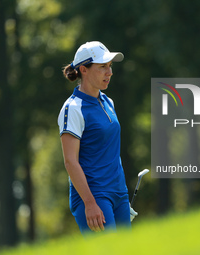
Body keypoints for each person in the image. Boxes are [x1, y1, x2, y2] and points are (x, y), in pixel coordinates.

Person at [58, 41, 137, 234]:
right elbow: (70, 161)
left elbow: (110, 150)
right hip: (94, 196)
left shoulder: (108, 102)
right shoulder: (73, 108)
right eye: (102, 67)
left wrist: (122, 197)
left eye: (110, 66)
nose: (109, 72)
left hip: (119, 194)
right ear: (83, 69)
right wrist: (90, 203)